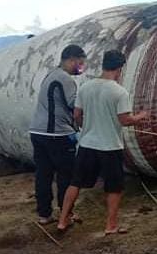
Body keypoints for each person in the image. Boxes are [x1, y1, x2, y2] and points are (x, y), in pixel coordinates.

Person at [57, 49, 148, 235]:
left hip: (87, 144)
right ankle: (111, 225)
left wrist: (86, 127)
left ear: (104, 64)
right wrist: (140, 116)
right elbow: (125, 120)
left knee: (76, 183)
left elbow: (77, 115)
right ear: (120, 68)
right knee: (114, 187)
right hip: (110, 146)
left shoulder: (85, 87)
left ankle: (62, 219)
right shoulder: (119, 92)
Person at [28, 44, 87, 225]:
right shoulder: (66, 79)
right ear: (71, 60)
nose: (81, 68)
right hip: (58, 135)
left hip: (37, 132)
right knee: (66, 175)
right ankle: (66, 214)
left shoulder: (50, 75)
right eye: (80, 64)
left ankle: (44, 214)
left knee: (43, 174)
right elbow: (75, 106)